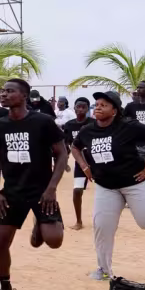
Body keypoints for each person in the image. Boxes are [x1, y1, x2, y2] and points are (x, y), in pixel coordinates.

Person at [0, 79, 69, 290]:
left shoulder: (43, 122)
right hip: (11, 191)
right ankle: (5, 288)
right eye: (2, 91)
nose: (3, 94)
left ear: (24, 96)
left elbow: (62, 154)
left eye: (10, 91)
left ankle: (38, 223)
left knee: (54, 241)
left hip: (42, 190)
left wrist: (52, 188)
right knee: (2, 240)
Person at [70, 91, 145, 280]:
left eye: (104, 105)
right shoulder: (87, 131)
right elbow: (75, 147)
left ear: (114, 111)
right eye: (96, 104)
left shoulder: (128, 126)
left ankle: (143, 204)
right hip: (106, 186)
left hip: (136, 182)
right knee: (102, 227)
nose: (98, 107)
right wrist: (84, 166)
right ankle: (103, 269)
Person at [60, 97, 96, 229]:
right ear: (74, 108)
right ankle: (79, 221)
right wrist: (64, 160)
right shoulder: (69, 125)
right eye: (78, 107)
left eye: (83, 107)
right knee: (77, 191)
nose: (80, 109)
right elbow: (67, 144)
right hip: (80, 163)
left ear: (87, 109)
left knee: (108, 191)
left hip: (97, 162)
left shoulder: (94, 123)